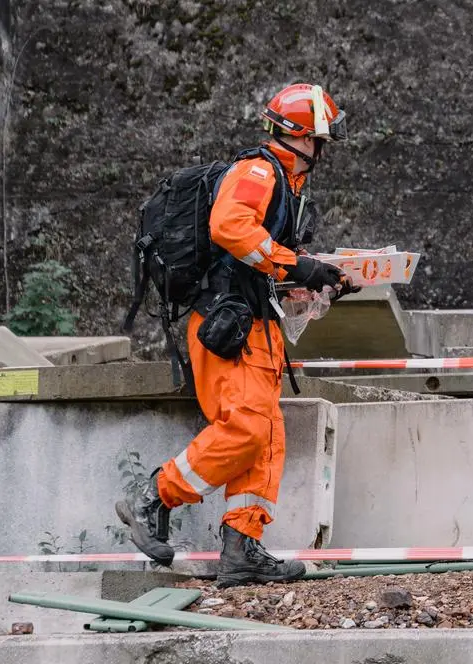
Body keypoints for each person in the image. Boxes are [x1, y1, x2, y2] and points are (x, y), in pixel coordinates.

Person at [116, 83, 358, 588]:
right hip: (230, 328)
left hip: (257, 328)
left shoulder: (289, 186)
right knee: (246, 430)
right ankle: (154, 494)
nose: (324, 149)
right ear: (302, 136)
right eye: (321, 138)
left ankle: (242, 549)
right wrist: (300, 264)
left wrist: (325, 279)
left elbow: (259, 262)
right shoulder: (258, 170)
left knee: (266, 440)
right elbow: (230, 226)